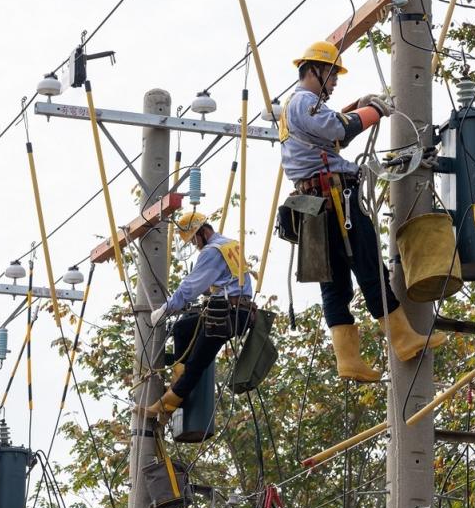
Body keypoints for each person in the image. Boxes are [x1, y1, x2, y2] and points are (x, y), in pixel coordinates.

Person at [279, 41, 446, 382]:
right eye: (331, 74)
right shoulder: (303, 101)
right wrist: (373, 113)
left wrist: (359, 107)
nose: (335, 82)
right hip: (335, 199)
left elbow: (330, 135)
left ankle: (348, 359)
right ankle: (402, 339)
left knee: (335, 282)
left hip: (315, 205)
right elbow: (338, 130)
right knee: (369, 266)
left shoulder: (299, 108)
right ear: (313, 71)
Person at [144, 212, 254, 418]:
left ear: (203, 231)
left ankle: (166, 405)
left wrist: (166, 309)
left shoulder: (211, 252)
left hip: (226, 315)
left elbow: (190, 287)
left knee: (196, 363)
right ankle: (178, 382)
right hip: (236, 310)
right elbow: (224, 279)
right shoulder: (228, 244)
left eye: (194, 239)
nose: (195, 245)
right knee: (182, 329)